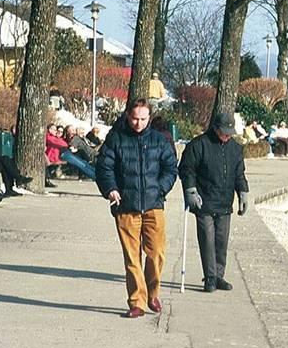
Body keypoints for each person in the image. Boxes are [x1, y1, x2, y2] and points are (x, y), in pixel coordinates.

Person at [96, 98, 178, 318]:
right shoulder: (116, 138)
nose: (138, 123)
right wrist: (111, 189)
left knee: (156, 253)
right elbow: (104, 167)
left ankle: (153, 293)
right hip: (126, 206)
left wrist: (160, 189)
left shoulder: (160, 140)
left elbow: (171, 168)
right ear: (127, 116)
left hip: (154, 205)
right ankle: (137, 302)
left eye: (143, 119)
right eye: (134, 118)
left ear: (149, 118)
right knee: (132, 257)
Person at [179, 112, 249, 293]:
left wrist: (243, 191)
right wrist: (190, 190)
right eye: (224, 132)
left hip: (225, 202)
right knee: (207, 240)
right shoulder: (199, 145)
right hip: (204, 201)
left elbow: (239, 174)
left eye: (229, 133)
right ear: (215, 128)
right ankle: (210, 277)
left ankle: (219, 276)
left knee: (221, 241)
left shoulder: (235, 148)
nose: (227, 136)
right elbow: (187, 169)